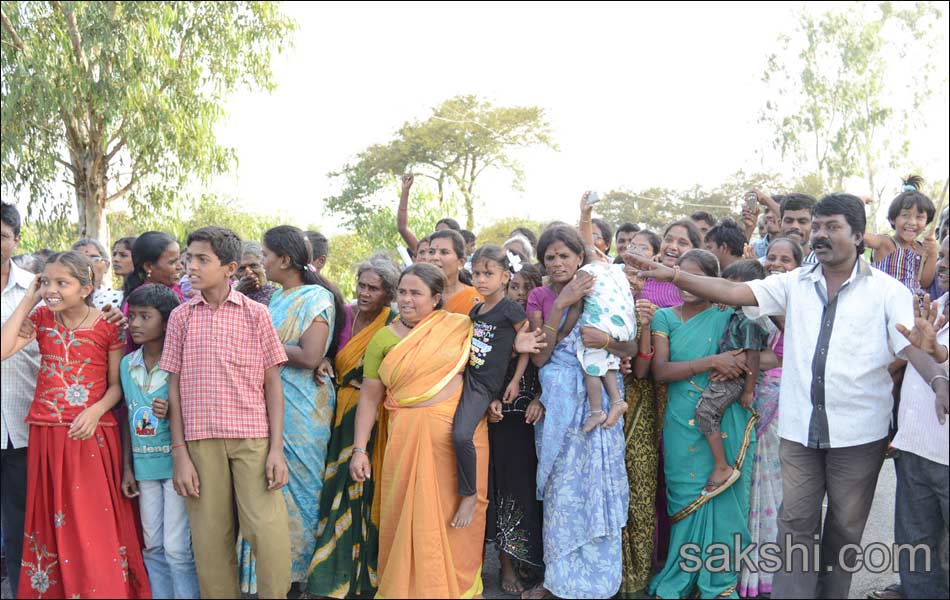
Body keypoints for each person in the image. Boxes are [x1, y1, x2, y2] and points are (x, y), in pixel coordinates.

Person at [624, 194, 946, 599]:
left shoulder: (887, 291)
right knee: (795, 524)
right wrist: (672, 277)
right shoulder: (795, 283)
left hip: (858, 435)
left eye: (833, 227)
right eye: (818, 227)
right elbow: (731, 289)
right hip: (798, 432)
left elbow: (911, 346)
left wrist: (937, 379)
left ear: (859, 236)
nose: (821, 235)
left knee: (844, 530)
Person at [0, 251, 150, 599]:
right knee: (53, 521)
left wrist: (95, 411)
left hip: (90, 435)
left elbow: (117, 387)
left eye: (61, 283)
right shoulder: (40, 319)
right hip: (47, 434)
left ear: (86, 288)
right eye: (46, 282)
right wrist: (28, 298)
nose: (51, 289)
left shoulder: (107, 324)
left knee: (91, 522)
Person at [162, 226, 291, 599]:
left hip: (252, 437)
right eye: (189, 258)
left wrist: (276, 449)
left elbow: (272, 384)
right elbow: (174, 387)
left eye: (203, 259)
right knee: (209, 538)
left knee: (267, 531)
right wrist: (180, 452)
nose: (191, 267)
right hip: (200, 443)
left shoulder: (256, 315)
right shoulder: (182, 318)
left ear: (230, 267)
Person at [346, 264, 485, 597]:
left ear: (436, 298)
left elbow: (487, 368)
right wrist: (359, 449)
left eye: (415, 293)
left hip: (456, 438)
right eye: (402, 292)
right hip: (405, 438)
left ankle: (458, 587)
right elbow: (369, 397)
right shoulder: (383, 337)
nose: (406, 300)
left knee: (455, 516)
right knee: (409, 515)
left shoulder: (459, 326)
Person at [525, 225, 635, 599]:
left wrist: (605, 341)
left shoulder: (602, 287)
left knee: (598, 487)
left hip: (599, 405)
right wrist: (561, 302)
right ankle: (558, 582)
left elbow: (629, 348)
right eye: (550, 257)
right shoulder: (539, 296)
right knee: (562, 494)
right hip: (559, 408)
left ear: (579, 257)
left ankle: (601, 582)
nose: (557, 263)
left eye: (564, 256)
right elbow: (540, 357)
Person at [640, 248, 756, 598]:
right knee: (686, 495)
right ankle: (681, 574)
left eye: (696, 276)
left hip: (725, 416)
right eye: (679, 273)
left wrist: (734, 367)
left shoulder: (727, 314)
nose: (687, 284)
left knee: (723, 499)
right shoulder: (664, 318)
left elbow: (749, 354)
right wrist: (711, 361)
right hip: (680, 419)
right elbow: (660, 372)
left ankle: (718, 581)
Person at [237, 226, 339, 593]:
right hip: (271, 400)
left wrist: (263, 346)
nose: (262, 263)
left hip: (304, 406)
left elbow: (311, 356)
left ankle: (297, 577)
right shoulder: (276, 298)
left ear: (284, 259)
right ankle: (270, 571)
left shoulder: (316, 298)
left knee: (300, 487)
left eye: (265, 255)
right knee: (270, 486)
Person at [306, 255, 399, 598]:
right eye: (361, 285)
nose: (364, 293)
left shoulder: (396, 321)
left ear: (388, 293)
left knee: (366, 490)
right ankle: (331, 573)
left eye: (373, 288)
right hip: (339, 410)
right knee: (336, 488)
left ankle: (364, 576)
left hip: (374, 415)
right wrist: (326, 361)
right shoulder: (344, 314)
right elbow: (326, 351)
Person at [118, 284, 200, 599]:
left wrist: (172, 411)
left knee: (178, 547)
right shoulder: (128, 364)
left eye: (144, 316)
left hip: (175, 465)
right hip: (144, 467)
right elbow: (127, 417)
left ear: (166, 323)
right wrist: (127, 468)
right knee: (152, 544)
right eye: (132, 316)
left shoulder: (181, 363)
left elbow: (193, 414)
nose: (134, 323)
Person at [451, 245, 531, 529]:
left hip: (484, 385)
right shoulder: (476, 309)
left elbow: (526, 345)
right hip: (468, 375)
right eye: (477, 273)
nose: (481, 279)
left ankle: (470, 493)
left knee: (461, 435)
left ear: (505, 276)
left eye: (489, 273)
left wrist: (514, 380)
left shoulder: (510, 308)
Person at [739, 237, 801, 598]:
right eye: (771, 258)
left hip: (781, 403)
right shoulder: (754, 303)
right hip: (751, 398)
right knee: (749, 488)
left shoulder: (803, 305)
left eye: (785, 260)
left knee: (776, 490)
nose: (776, 264)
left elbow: (790, 348)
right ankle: (744, 572)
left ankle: (770, 574)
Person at [888, 235, 949, 599]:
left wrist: (938, 353)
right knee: (917, 547)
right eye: (942, 256)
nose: (942, 265)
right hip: (916, 450)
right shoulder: (934, 308)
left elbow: (935, 357)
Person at [485, 260, 545, 595]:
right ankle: (506, 563)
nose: (520, 295)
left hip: (537, 419)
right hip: (505, 419)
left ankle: (535, 565)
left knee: (536, 494)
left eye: (528, 288)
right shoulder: (499, 325)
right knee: (508, 489)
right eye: (515, 288)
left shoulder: (543, 325)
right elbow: (482, 371)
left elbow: (556, 367)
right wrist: (491, 401)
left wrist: (541, 396)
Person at [694, 259, 768, 497]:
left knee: (705, 413)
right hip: (727, 376)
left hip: (736, 379)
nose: (728, 293)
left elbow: (753, 358)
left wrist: (747, 390)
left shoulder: (750, 320)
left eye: (735, 289)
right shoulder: (736, 313)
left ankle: (722, 467)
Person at [617, 255, 665, 598]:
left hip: (641, 407)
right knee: (611, 495)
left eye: (638, 273)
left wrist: (645, 324)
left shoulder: (656, 311)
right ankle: (613, 573)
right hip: (602, 407)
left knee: (641, 493)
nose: (632, 279)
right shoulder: (600, 307)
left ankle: (637, 576)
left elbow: (642, 370)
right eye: (625, 272)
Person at [1, 202, 40, 598]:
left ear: (16, 239)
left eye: (1, 235)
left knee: (20, 527)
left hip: (23, 428)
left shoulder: (41, 287)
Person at [574, 192, 637, 431]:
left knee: (590, 360)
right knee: (607, 362)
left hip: (602, 324)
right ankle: (618, 401)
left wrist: (585, 213)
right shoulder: (617, 270)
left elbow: (586, 239)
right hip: (623, 325)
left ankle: (597, 411)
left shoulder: (597, 262)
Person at [866, 175, 938, 292]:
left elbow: (924, 283)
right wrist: (857, 204)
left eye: (919, 217)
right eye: (905, 215)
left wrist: (932, 254)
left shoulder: (922, 249)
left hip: (911, 307)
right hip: (884, 305)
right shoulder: (885, 242)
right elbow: (860, 234)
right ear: (892, 219)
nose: (912, 222)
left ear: (926, 222)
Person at [640, 220, 701, 308]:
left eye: (682, 243)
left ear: (695, 250)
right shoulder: (643, 277)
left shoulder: (698, 286)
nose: (672, 247)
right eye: (668, 240)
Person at [427, 229, 482, 314]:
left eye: (444, 252)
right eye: (431, 252)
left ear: (461, 262)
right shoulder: (418, 294)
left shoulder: (476, 297)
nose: (435, 257)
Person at [123, 231, 184, 302]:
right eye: (172, 262)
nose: (180, 267)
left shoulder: (177, 290)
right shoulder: (143, 300)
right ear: (148, 266)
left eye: (179, 260)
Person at [73, 238, 124, 310]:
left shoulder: (120, 299)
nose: (88, 263)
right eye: (80, 259)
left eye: (95, 259)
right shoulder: (63, 297)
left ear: (106, 265)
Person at [235, 240, 278, 306]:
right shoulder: (227, 294)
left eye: (253, 266)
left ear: (263, 265)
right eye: (241, 268)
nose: (249, 271)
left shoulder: (277, 296)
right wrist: (239, 291)